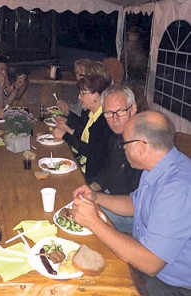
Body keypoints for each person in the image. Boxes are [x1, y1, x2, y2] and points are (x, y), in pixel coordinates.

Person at [72, 111, 191, 296]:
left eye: (124, 143)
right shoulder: (157, 167)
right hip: (149, 262)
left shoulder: (176, 189)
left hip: (172, 284)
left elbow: (151, 264)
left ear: (141, 147)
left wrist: (94, 222)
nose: (123, 148)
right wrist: (95, 197)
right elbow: (134, 204)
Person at [88, 85, 143, 233]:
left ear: (133, 109)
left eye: (121, 111)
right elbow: (110, 168)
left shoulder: (143, 145)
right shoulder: (117, 136)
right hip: (111, 197)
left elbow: (136, 205)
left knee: (83, 216)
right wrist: (93, 186)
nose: (115, 119)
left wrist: (97, 198)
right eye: (108, 113)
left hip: (134, 214)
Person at [52, 74, 112, 181]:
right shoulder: (91, 113)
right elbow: (84, 136)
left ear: (96, 96)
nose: (79, 97)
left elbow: (92, 152)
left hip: (91, 175)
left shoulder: (103, 121)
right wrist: (68, 129)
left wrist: (66, 136)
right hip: (81, 163)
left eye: (83, 93)